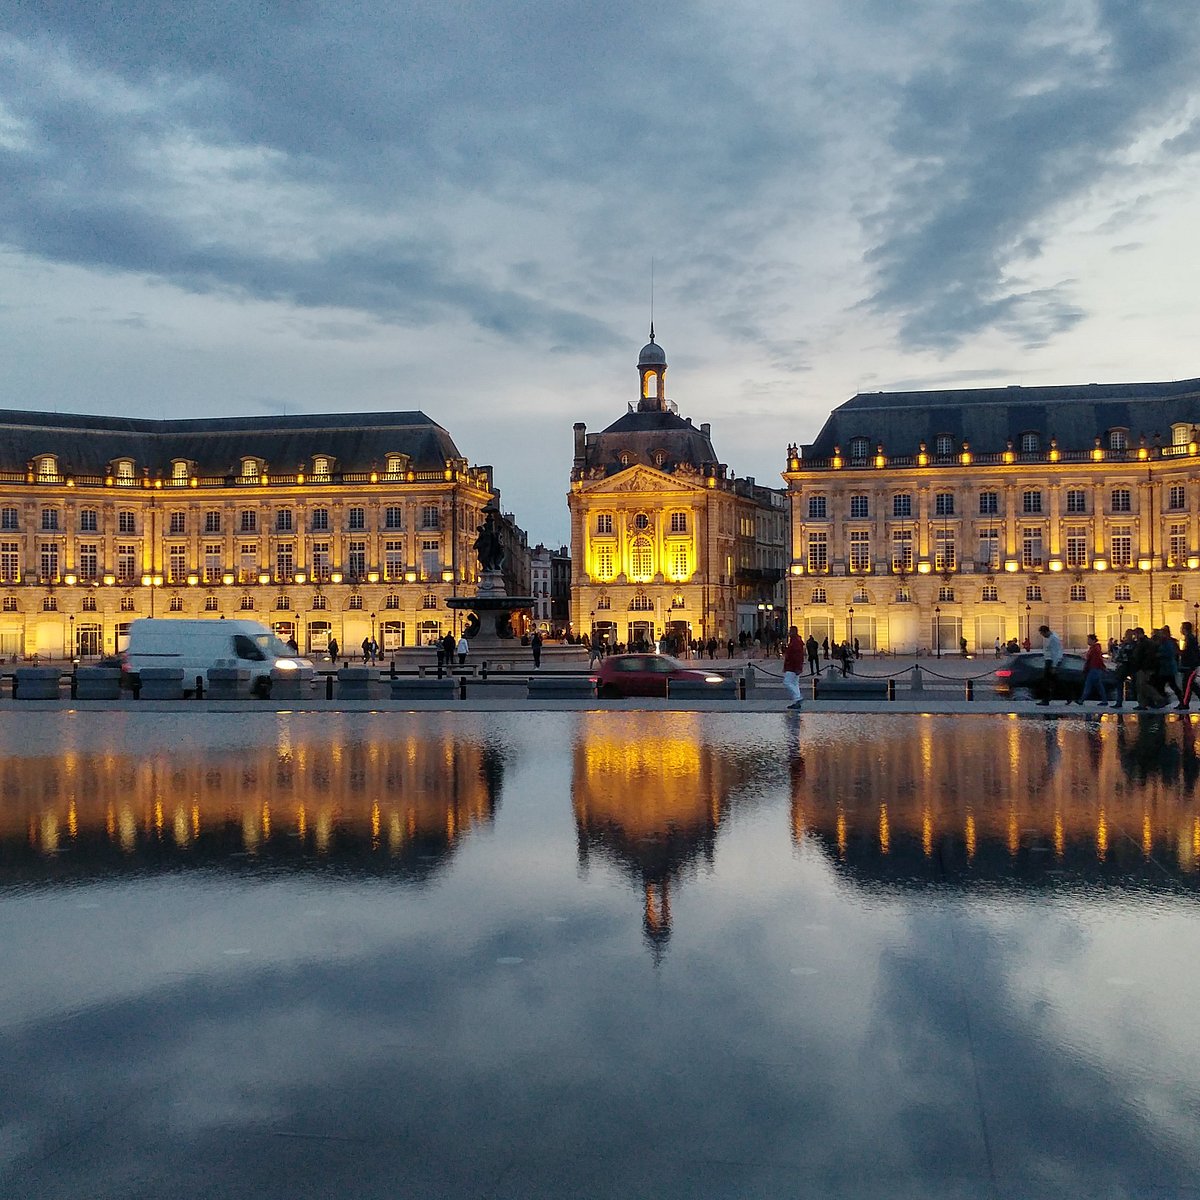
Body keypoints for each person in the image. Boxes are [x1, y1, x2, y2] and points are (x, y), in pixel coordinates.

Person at [1035, 624, 1063, 705]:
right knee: (1055, 681)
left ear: (1046, 632)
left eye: (1042, 634)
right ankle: (1068, 696)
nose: (1042, 636)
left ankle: (1045, 700)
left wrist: (1054, 665)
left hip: (1050, 662)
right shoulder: (1050, 638)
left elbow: (1055, 652)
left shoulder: (1053, 639)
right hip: (1049, 660)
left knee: (1046, 682)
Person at [1080, 633, 1108, 704]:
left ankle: (1081, 700)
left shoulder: (1094, 649)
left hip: (1094, 669)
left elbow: (1096, 659)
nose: (1087, 641)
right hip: (1095, 669)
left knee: (1088, 684)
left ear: (1093, 640)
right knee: (1098, 685)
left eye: (1089, 640)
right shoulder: (1095, 648)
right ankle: (1104, 700)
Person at [782, 625, 805, 709]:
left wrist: (797, 667)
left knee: (787, 682)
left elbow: (796, 656)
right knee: (795, 683)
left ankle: (798, 697)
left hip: (792, 666)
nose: (789, 633)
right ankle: (797, 701)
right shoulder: (796, 641)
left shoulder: (795, 642)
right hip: (794, 666)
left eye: (790, 631)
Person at [1179, 621, 1199, 708]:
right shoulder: (1190, 638)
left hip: (1189, 665)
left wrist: (1181, 653)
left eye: (1182, 628)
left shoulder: (1189, 638)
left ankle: (1185, 703)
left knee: (1187, 685)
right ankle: (1184, 703)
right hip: (1190, 664)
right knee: (1191, 685)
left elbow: (1188, 652)